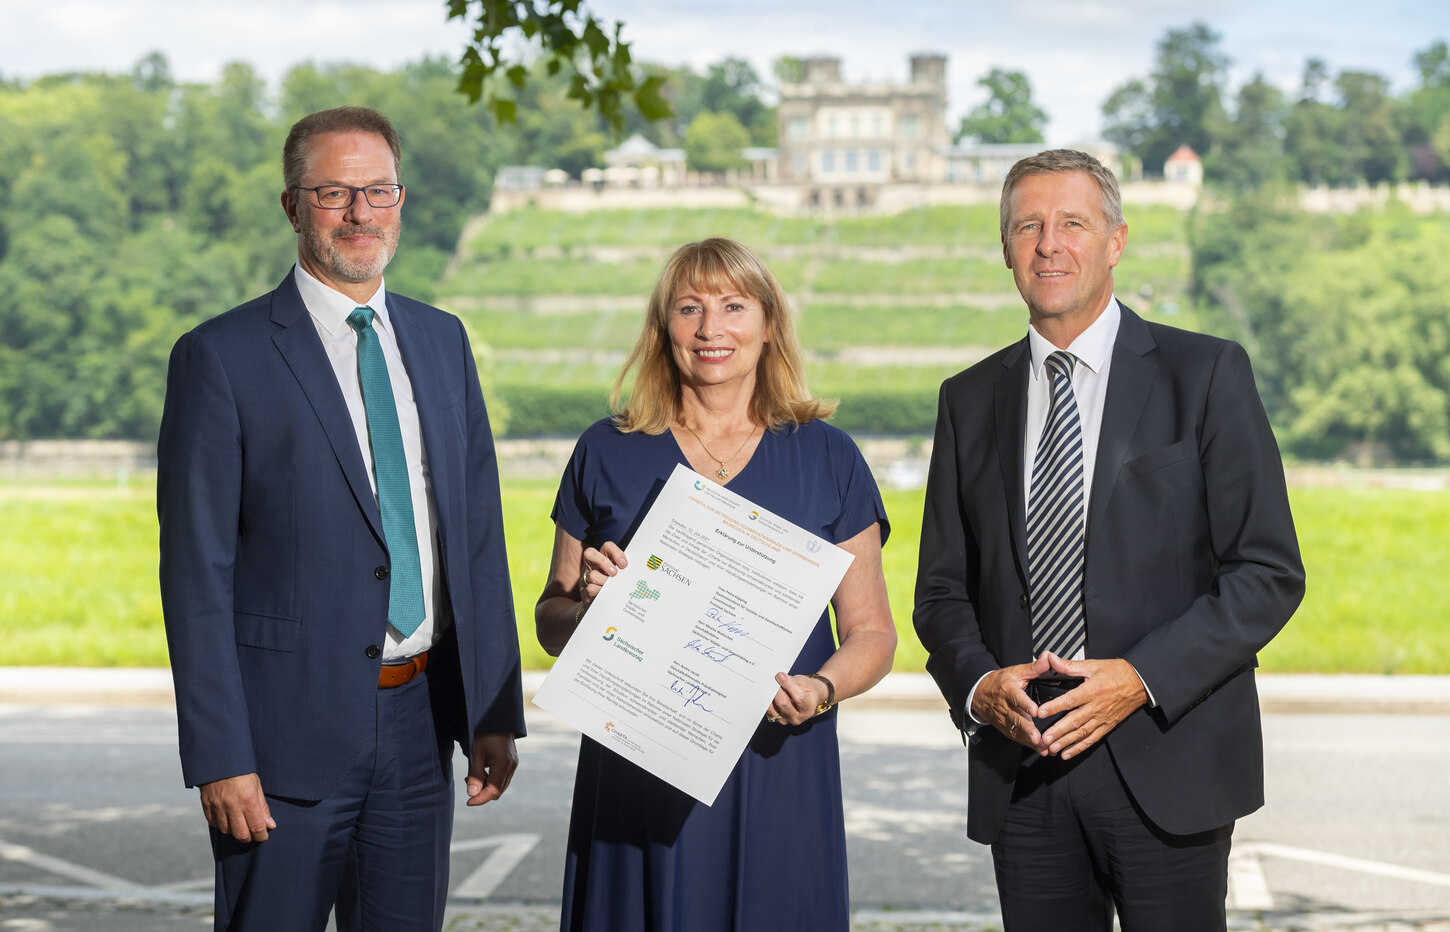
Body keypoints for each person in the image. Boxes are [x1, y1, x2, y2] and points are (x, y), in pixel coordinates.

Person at [913, 149, 1305, 931]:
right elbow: (942, 589)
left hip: (1169, 759)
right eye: (1028, 226)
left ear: (1116, 240)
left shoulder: (1206, 373)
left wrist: (1140, 677)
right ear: (1006, 250)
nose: (1048, 245)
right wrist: (979, 687)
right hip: (1022, 771)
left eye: (1071, 224)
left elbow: (1266, 570)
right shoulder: (968, 399)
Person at [156, 106, 525, 931]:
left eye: (378, 190)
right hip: (281, 745)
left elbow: (473, 538)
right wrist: (221, 757)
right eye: (333, 192)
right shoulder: (221, 357)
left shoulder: (441, 341)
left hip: (421, 726)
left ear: (401, 199)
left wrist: (494, 711)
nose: (361, 213)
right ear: (292, 206)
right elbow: (196, 577)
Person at [535, 237, 896, 931]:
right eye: (689, 308)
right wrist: (584, 606)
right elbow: (551, 620)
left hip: (777, 756)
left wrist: (820, 691)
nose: (711, 330)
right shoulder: (604, 450)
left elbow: (874, 634)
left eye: (734, 306)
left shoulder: (829, 455)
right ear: (662, 326)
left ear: (769, 324)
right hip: (639, 757)